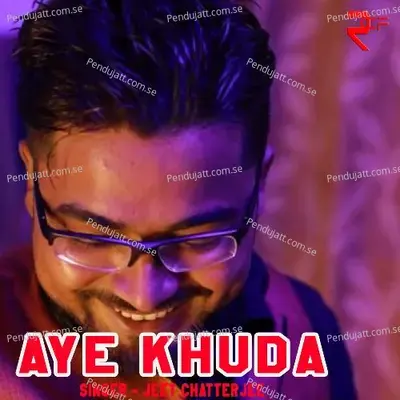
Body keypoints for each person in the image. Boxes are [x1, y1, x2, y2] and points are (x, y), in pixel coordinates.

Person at [0, 0, 357, 398]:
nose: (144, 296)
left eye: (196, 240)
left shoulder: (305, 328)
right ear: (32, 181)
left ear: (259, 185)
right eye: (93, 239)